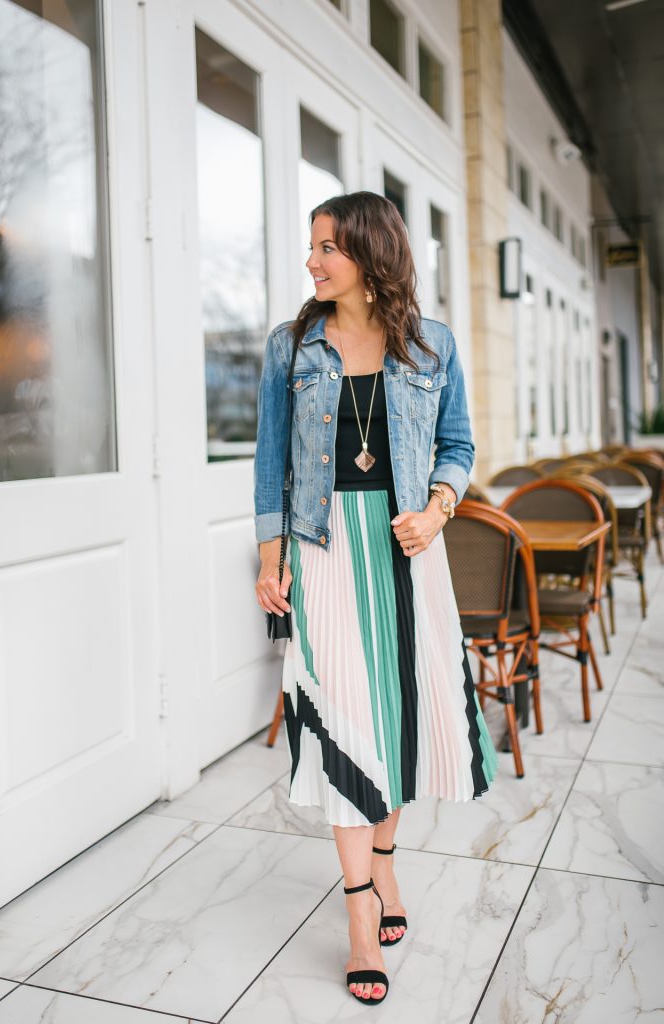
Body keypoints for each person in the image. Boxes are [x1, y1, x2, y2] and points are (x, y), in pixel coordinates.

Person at [253, 191, 497, 1006]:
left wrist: (437, 508)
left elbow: (457, 444)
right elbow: (269, 463)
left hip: (407, 551)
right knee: (344, 725)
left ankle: (385, 872)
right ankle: (361, 915)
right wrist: (270, 557)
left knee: (398, 721)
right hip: (323, 554)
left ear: (370, 252)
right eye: (311, 246)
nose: (314, 260)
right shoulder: (290, 349)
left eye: (328, 246)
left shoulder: (432, 347)